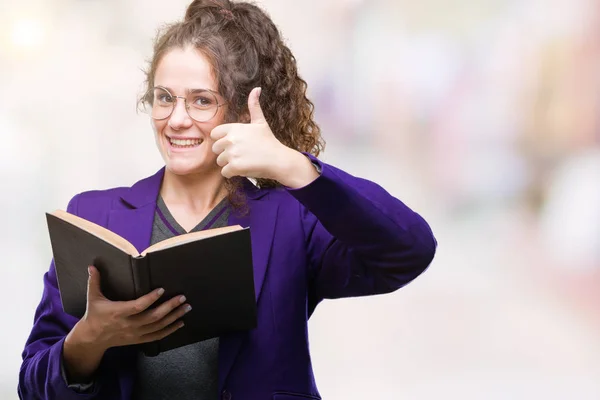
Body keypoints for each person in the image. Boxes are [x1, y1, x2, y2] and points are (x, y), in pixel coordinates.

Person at [18, 0, 437, 399]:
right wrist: (90, 339)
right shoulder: (94, 216)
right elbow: (32, 385)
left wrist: (294, 167)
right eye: (165, 97)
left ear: (239, 110)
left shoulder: (292, 220)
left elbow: (408, 250)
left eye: (202, 100)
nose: (177, 119)